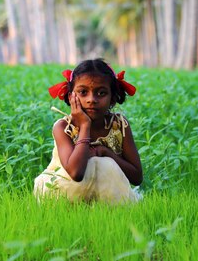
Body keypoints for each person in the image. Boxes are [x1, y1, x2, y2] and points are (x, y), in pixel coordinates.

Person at [34, 58, 143, 204]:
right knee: (98, 164)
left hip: (106, 196)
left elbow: (136, 177)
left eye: (101, 93)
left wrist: (105, 152)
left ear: (112, 99)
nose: (91, 99)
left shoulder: (119, 125)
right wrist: (85, 126)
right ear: (71, 96)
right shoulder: (63, 128)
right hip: (62, 193)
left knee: (105, 164)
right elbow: (75, 173)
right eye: (83, 92)